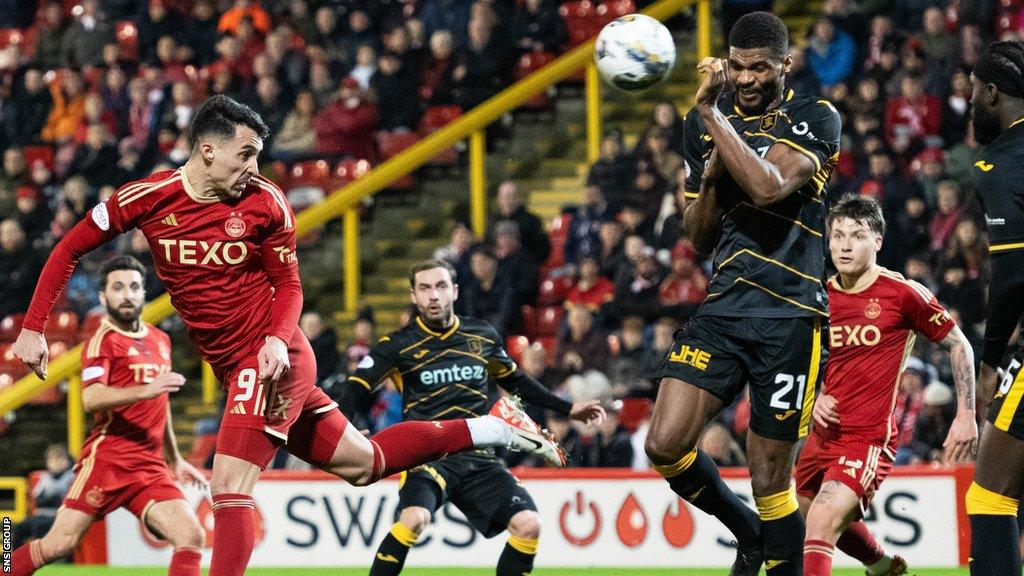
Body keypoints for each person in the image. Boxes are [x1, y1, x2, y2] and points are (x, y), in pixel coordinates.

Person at [10, 95, 564, 576]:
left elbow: (290, 285)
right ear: (208, 150)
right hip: (185, 405)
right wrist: (33, 327)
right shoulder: (147, 200)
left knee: (228, 487)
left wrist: (277, 338)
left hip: (272, 357)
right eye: (245, 153)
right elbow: (69, 246)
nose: (254, 167)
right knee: (364, 464)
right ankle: (488, 427)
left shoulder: (266, 203)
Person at [645, 12, 841, 575]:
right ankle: (748, 533)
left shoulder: (814, 116)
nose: (747, 78)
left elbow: (768, 185)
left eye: (760, 67)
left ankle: (770, 539)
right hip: (724, 307)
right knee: (664, 444)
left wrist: (711, 113)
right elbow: (700, 236)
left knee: (770, 481)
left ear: (785, 64)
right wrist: (706, 181)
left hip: (790, 315)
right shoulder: (700, 123)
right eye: (737, 65)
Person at [342, 260, 605, 576]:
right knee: (414, 519)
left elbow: (516, 380)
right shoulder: (399, 344)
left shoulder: (481, 335)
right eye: (424, 288)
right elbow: (356, 389)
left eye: (440, 286)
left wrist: (567, 408)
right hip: (428, 456)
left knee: (529, 525)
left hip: (478, 457)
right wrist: (338, 435)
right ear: (414, 296)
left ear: (454, 290)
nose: (433, 296)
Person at [796, 195, 977, 575]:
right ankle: (880, 565)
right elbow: (796, 357)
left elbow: (958, 343)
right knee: (809, 511)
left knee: (820, 521)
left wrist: (966, 413)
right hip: (822, 434)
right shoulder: (817, 296)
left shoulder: (902, 293)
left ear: (877, 240)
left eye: (857, 235)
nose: (844, 245)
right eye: (838, 235)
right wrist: (814, 398)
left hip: (867, 436)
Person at [8, 255, 207, 576]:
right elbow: (92, 398)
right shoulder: (103, 339)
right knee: (58, 544)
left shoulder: (161, 340)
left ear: (143, 293)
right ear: (104, 297)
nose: (127, 294)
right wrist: (145, 389)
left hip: (150, 465)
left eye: (133, 287)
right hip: (108, 460)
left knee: (191, 535)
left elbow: (162, 403)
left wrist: (175, 459)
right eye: (118, 287)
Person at [965, 40, 1024, 576]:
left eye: (970, 90)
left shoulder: (1000, 161)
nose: (967, 100)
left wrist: (989, 361)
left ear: (990, 92)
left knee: (989, 497)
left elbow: (1012, 276)